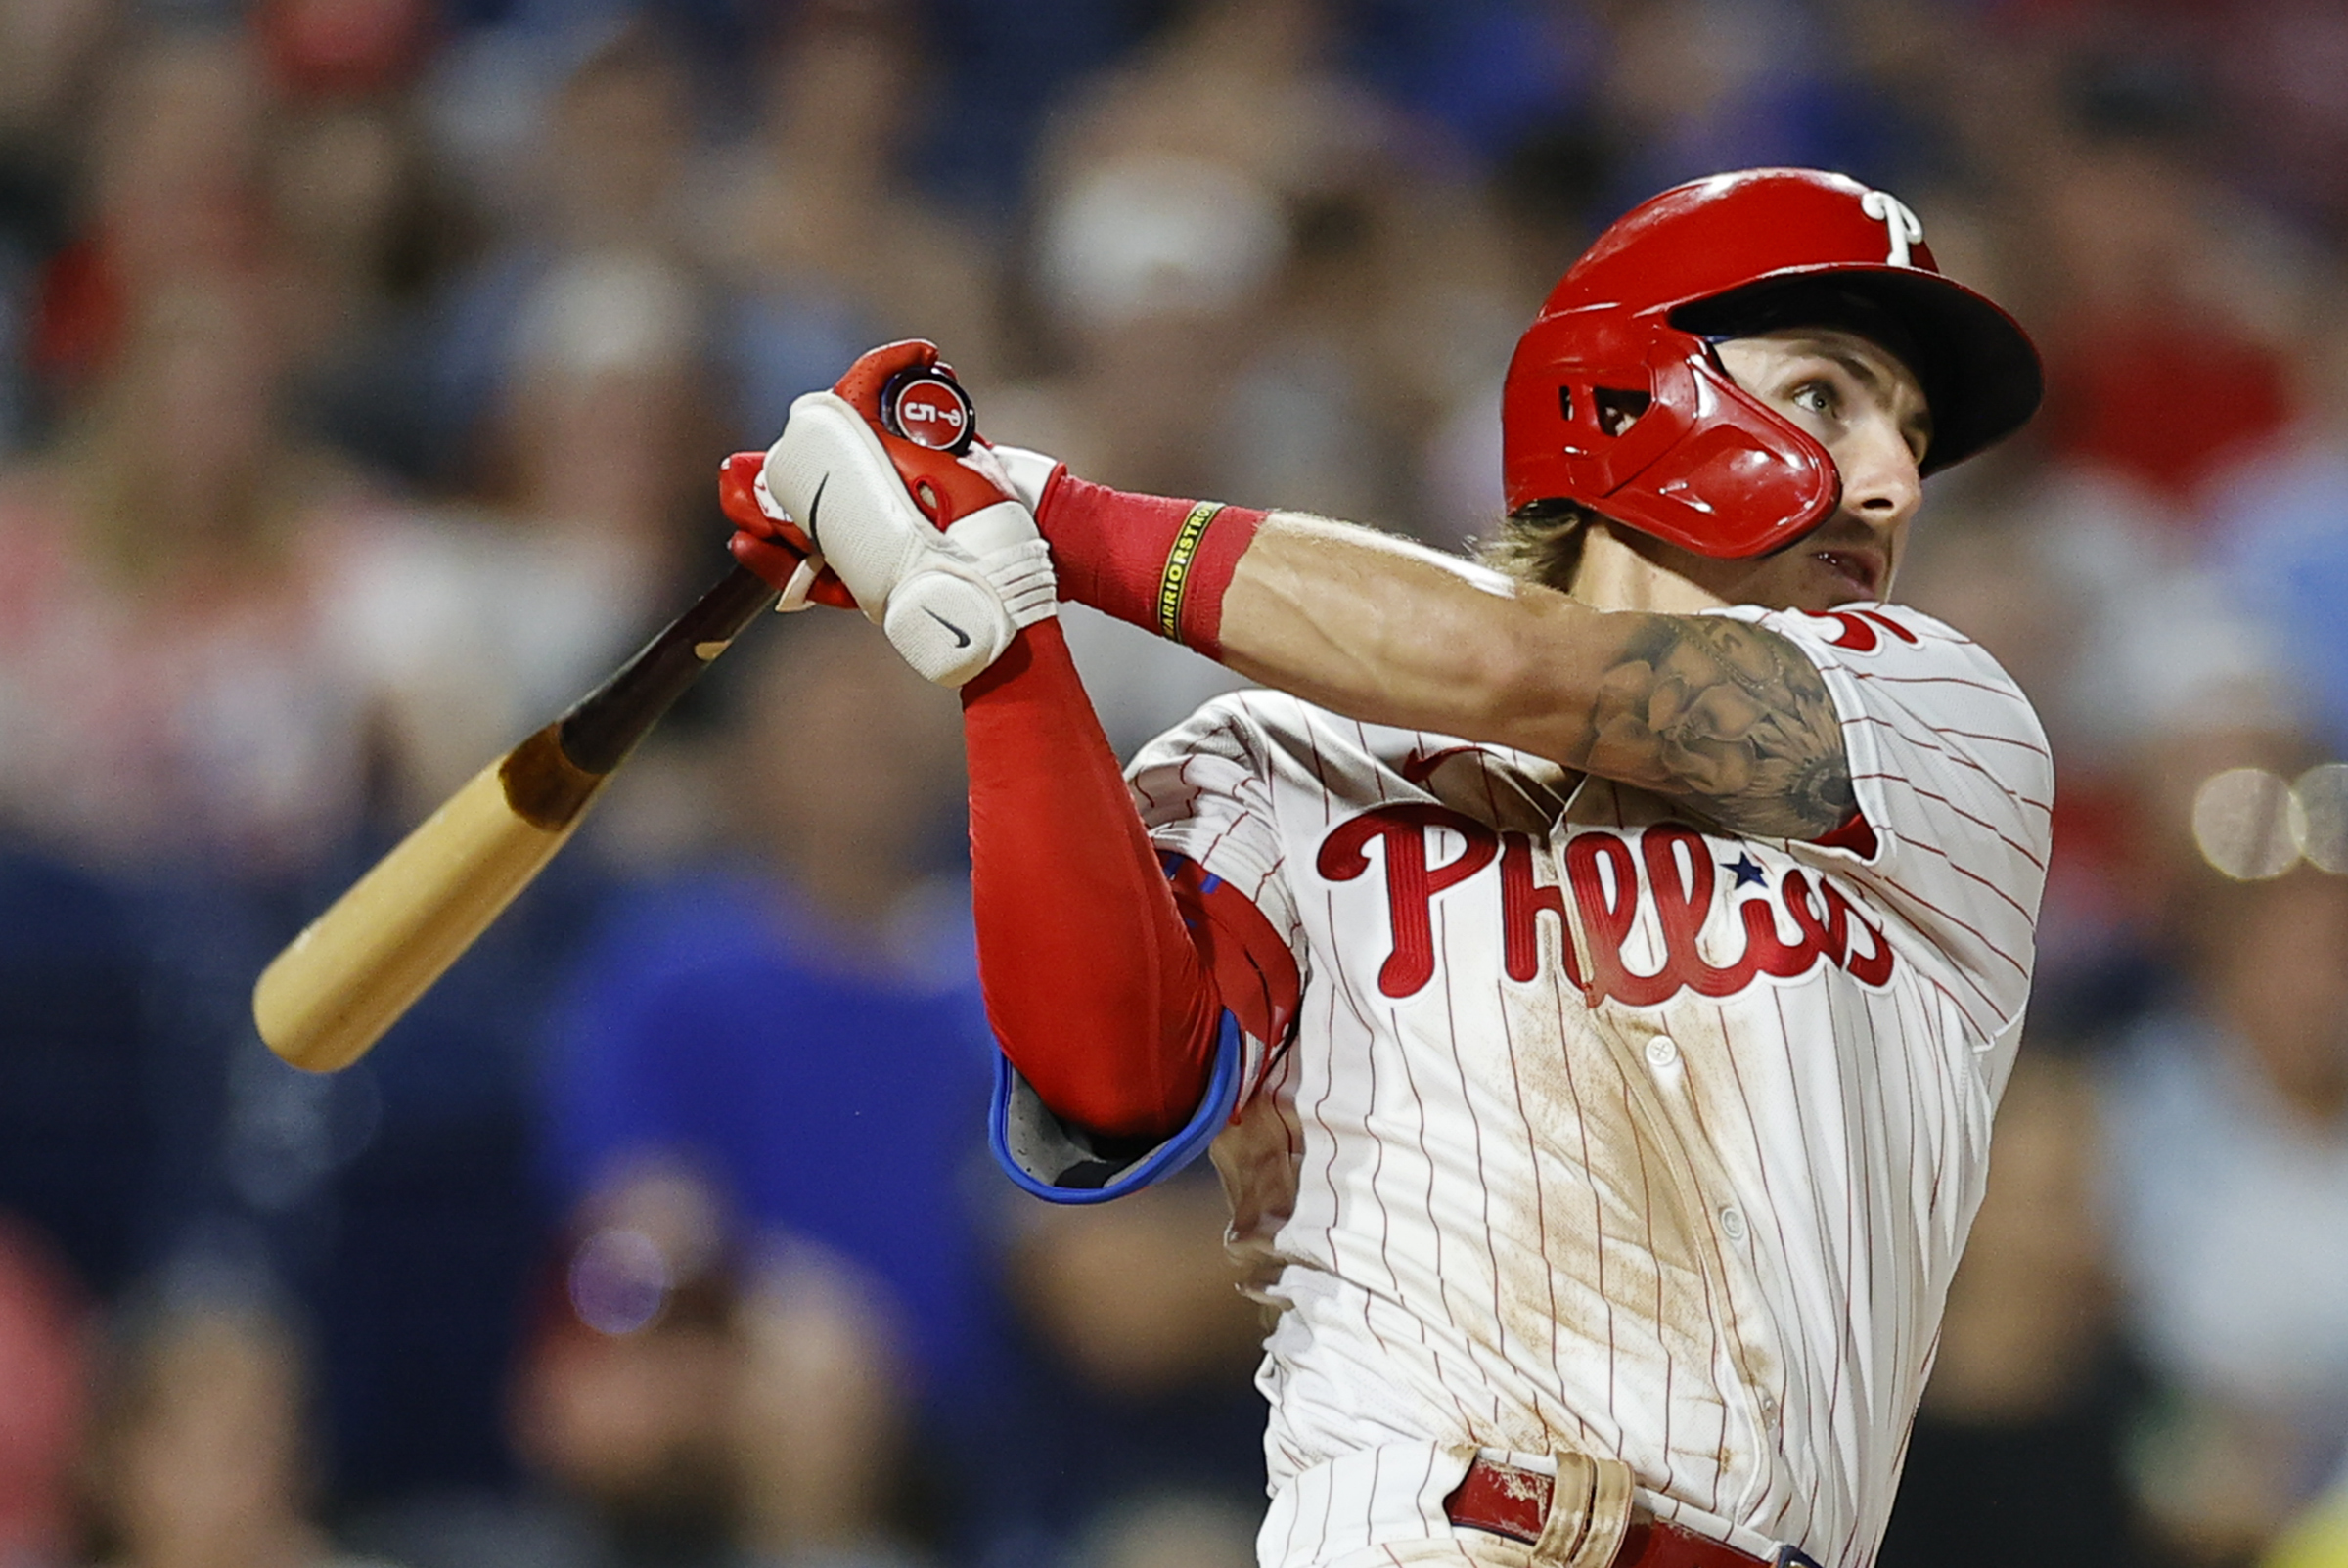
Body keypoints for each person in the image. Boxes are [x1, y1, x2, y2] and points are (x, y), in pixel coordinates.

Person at [724, 168, 2052, 1568]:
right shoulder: (1277, 759)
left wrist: (1032, 504)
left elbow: (1507, 664)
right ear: (1625, 393)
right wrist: (995, 620)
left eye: (1911, 438)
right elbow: (1114, 1074)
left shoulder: (1941, 725)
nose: (1896, 484)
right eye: (1827, 397)